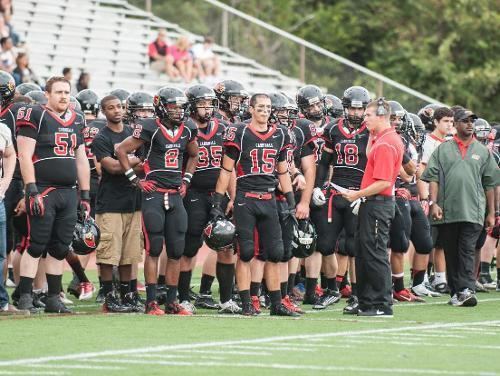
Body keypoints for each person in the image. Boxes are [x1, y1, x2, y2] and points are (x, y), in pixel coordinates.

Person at [212, 93, 298, 317]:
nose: (265, 111)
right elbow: (226, 170)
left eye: (268, 107)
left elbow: (282, 171)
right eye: (260, 107)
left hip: (269, 198)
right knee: (246, 252)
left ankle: (277, 303)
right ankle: (247, 302)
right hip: (246, 199)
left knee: (276, 253)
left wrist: (290, 201)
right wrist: (217, 202)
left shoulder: (280, 134)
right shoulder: (239, 132)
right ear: (250, 109)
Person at [115, 87, 199, 316]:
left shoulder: (188, 128)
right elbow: (121, 150)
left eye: (180, 107)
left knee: (176, 250)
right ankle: (151, 301)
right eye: (173, 106)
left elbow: (194, 154)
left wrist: (187, 180)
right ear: (161, 106)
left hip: (175, 194)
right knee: (154, 249)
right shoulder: (150, 127)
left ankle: (171, 301)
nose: (177, 111)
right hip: (153, 194)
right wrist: (135, 180)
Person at [15, 76, 90, 314]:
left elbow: (81, 159)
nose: (64, 96)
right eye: (58, 92)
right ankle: (25, 295)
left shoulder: (77, 118)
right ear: (47, 94)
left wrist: (85, 195)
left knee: (59, 247)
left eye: (67, 92)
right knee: (36, 244)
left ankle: (53, 298)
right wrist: (31, 188)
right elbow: (24, 156)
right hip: (44, 190)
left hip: (68, 192)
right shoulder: (35, 114)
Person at [421, 108, 499, 307]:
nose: (470, 124)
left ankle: (466, 288)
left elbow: (491, 184)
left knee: (466, 248)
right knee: (451, 252)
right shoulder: (443, 149)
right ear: (455, 124)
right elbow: (433, 178)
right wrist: (434, 203)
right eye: (465, 121)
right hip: (447, 211)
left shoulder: (483, 152)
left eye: (472, 121)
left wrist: (492, 212)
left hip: (474, 212)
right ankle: (457, 292)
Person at [179, 84, 240, 314]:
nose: (207, 108)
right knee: (190, 247)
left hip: (218, 195)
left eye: (209, 103)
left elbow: (229, 167)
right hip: (193, 194)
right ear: (192, 106)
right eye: (202, 104)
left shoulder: (223, 128)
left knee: (226, 246)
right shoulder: (185, 128)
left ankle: (226, 300)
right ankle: (183, 298)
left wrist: (232, 196)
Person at [343, 98, 404, 317]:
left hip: (378, 203)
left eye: (368, 115)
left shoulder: (387, 143)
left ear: (381, 116)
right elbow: (371, 157)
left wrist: (356, 194)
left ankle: (381, 303)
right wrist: (371, 134)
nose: (363, 118)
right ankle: (367, 301)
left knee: (375, 254)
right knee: (363, 252)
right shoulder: (382, 139)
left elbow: (384, 182)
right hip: (372, 204)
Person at [313, 86, 371, 312]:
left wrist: (365, 193)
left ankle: (357, 294)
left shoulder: (372, 131)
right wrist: (319, 186)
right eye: (352, 109)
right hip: (336, 191)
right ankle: (331, 290)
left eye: (359, 109)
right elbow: (325, 162)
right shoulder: (333, 129)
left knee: (354, 247)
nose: (356, 113)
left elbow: (376, 166)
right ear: (345, 108)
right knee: (326, 244)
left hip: (359, 194)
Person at [91, 95, 143, 313]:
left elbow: (145, 164)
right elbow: (110, 168)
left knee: (129, 255)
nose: (117, 111)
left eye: (120, 106)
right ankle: (109, 296)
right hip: (110, 202)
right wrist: (132, 161)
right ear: (104, 111)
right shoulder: (101, 138)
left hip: (133, 201)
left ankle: (128, 295)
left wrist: (123, 161)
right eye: (111, 108)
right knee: (108, 253)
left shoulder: (133, 133)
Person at [417, 106, 455, 294]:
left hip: (447, 195)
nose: (449, 125)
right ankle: (421, 278)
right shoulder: (429, 141)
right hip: (432, 195)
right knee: (427, 240)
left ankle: (440, 278)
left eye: (451, 121)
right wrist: (426, 198)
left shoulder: (451, 142)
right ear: (436, 122)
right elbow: (422, 170)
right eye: (446, 121)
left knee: (442, 241)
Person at [0, 113, 24, 314]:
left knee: (1, 253)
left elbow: (10, 155)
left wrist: (5, 182)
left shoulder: (3, 129)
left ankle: (1, 302)